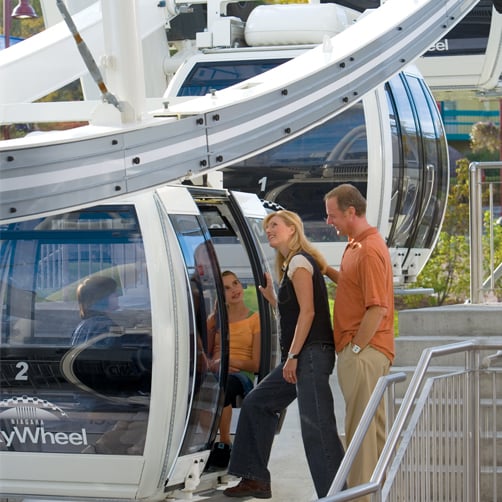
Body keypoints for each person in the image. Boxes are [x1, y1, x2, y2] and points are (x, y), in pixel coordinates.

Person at [223, 210, 345, 499]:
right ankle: (255, 478)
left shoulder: (301, 262)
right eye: (267, 227)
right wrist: (273, 301)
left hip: (309, 356)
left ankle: (336, 495)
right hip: (304, 355)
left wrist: (292, 357)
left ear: (292, 228)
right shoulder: (292, 264)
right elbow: (296, 313)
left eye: (274, 225)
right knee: (257, 402)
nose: (269, 230)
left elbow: (310, 312)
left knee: (317, 429)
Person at [324, 184, 395, 497]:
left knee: (359, 435)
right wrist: (324, 268)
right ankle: (376, 493)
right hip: (366, 351)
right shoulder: (357, 244)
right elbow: (353, 287)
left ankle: (360, 498)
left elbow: (377, 307)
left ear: (351, 212)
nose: (329, 221)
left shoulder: (367, 250)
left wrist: (355, 348)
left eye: (333, 215)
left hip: (364, 352)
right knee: (372, 432)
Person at [206, 270, 261, 468]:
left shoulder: (255, 320)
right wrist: (216, 364)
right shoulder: (214, 320)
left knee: (224, 387)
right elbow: (204, 355)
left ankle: (225, 441)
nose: (234, 290)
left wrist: (231, 362)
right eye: (227, 288)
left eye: (235, 284)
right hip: (216, 371)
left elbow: (255, 364)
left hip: (239, 375)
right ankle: (206, 442)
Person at [71, 275, 120, 346]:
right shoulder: (107, 327)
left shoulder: (82, 326)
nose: (118, 295)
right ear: (102, 299)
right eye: (113, 293)